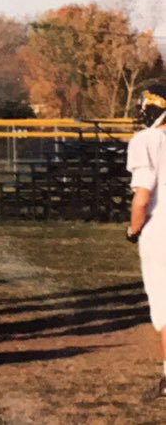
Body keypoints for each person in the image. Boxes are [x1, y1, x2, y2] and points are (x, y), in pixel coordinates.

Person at [128, 85, 166, 398]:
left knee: (163, 308)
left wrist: (132, 229)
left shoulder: (146, 140)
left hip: (160, 232)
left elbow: (142, 198)